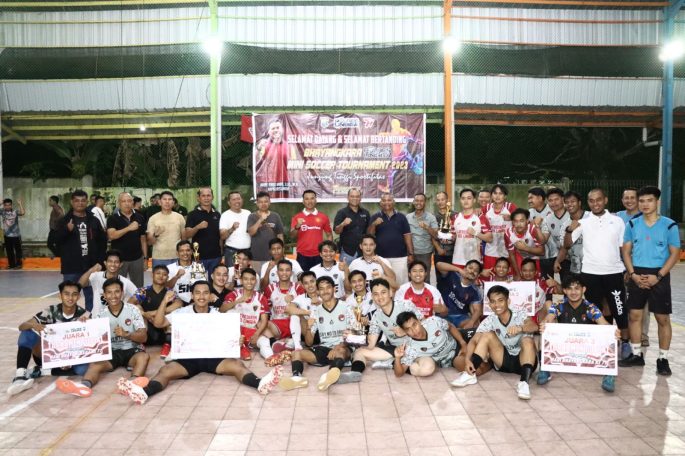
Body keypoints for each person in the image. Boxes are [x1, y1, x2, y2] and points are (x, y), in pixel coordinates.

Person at [118, 281, 283, 404]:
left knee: (237, 366)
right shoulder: (182, 312)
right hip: (188, 358)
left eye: (205, 293)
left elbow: (230, 338)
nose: (201, 296)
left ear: (210, 296)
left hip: (213, 357)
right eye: (197, 293)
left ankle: (259, 383)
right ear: (192, 296)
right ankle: (144, 393)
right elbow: (159, 323)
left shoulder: (218, 315)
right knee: (165, 371)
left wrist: (237, 340)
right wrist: (164, 302)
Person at [620, 186, 681, 376]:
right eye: (642, 201)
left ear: (657, 202)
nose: (645, 204)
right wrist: (632, 274)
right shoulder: (632, 225)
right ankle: (636, 354)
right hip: (637, 273)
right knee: (634, 315)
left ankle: (663, 359)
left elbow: (675, 253)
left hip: (659, 274)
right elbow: (626, 251)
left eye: (649, 200)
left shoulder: (669, 225)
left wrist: (659, 276)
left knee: (662, 318)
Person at [56, 278, 150, 398]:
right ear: (104, 295)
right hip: (111, 352)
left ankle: (131, 385)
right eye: (109, 292)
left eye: (117, 291)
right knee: (95, 364)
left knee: (144, 357)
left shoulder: (133, 310)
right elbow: (92, 339)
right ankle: (83, 386)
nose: (113, 296)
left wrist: (127, 334)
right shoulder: (100, 315)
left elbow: (144, 337)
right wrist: (85, 326)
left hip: (132, 350)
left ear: (122, 293)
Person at [569, 188, 630, 358]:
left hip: (614, 272)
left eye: (598, 200)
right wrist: (569, 229)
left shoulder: (617, 221)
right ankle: (598, 343)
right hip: (590, 273)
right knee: (593, 310)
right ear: (588, 203)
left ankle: (625, 343)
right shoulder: (583, 222)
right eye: (591, 200)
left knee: (619, 309)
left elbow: (623, 248)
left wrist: (628, 269)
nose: (595, 203)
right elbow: (567, 244)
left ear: (605, 200)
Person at [451, 285, 538, 400]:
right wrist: (467, 360)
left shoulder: (519, 314)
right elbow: (473, 340)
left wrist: (520, 328)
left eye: (500, 300)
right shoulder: (490, 320)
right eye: (493, 301)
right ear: (489, 304)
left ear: (508, 301)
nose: (496, 305)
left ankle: (524, 383)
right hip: (503, 361)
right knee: (487, 335)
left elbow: (534, 326)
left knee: (527, 340)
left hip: (524, 361)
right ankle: (470, 375)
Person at [7, 281, 89, 396]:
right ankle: (20, 376)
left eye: (74, 294)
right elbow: (22, 326)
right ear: (60, 295)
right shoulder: (50, 311)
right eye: (66, 294)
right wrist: (34, 325)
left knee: (83, 369)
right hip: (47, 356)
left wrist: (88, 325)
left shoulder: (85, 315)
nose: (70, 298)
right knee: (28, 333)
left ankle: (41, 371)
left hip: (70, 357)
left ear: (79, 296)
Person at [538, 275, 618, 392]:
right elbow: (549, 317)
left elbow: (604, 323)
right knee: (546, 329)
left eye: (577, 288)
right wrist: (544, 323)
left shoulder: (590, 307)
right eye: (570, 289)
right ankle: (545, 369)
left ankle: (609, 374)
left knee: (609, 333)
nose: (573, 292)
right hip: (565, 347)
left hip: (586, 348)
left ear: (583, 289)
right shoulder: (559, 305)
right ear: (564, 290)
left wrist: (614, 332)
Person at [279, 276, 359, 391]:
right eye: (321, 289)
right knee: (296, 353)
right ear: (318, 292)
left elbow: (355, 333)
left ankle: (329, 376)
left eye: (328, 288)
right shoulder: (316, 311)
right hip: (324, 348)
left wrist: (339, 346)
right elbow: (309, 342)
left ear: (334, 289)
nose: (325, 291)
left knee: (341, 352)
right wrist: (308, 327)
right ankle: (297, 378)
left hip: (343, 346)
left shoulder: (346, 307)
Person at [351, 278, 424, 371]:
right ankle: (355, 374)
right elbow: (371, 344)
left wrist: (405, 331)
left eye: (383, 292)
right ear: (372, 297)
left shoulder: (405, 305)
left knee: (423, 368)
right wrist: (354, 336)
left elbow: (425, 323)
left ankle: (394, 363)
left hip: (416, 347)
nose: (380, 297)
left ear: (390, 293)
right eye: (376, 294)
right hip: (396, 349)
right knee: (359, 352)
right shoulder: (376, 316)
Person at [55, 190, 106, 312]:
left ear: (87, 202)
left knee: (93, 298)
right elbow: (54, 240)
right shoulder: (64, 221)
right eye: (77, 201)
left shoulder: (93, 220)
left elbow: (102, 242)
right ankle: (69, 319)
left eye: (83, 200)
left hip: (91, 267)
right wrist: (66, 230)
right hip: (71, 268)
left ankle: (92, 319)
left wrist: (100, 262)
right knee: (69, 298)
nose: (80, 203)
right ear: (72, 202)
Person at [615, 187, 649, 347]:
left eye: (632, 198)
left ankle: (642, 336)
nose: (629, 201)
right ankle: (625, 336)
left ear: (638, 200)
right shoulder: (617, 217)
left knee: (641, 305)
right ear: (622, 200)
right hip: (619, 267)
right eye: (626, 198)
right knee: (620, 304)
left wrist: (632, 270)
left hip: (640, 266)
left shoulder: (646, 217)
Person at [392, 311, 470, 378]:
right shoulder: (411, 347)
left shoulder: (434, 321)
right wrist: (397, 358)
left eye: (414, 325)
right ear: (405, 331)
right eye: (408, 329)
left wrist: (463, 343)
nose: (414, 331)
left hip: (458, 341)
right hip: (453, 359)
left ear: (419, 321)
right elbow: (399, 374)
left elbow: (450, 326)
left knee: (476, 337)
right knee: (471, 368)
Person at [221, 268, 271, 361]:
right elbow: (222, 310)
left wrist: (257, 334)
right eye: (246, 279)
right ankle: (242, 348)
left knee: (265, 341)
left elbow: (264, 320)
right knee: (229, 313)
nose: (249, 282)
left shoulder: (261, 298)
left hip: (250, 331)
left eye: (252, 279)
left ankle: (271, 359)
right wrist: (237, 301)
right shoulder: (234, 294)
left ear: (255, 281)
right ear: (241, 280)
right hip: (235, 332)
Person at [128, 265, 183, 351]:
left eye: (164, 274)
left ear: (167, 277)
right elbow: (129, 303)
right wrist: (144, 314)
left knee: (174, 312)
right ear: (152, 275)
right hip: (147, 324)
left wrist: (155, 313)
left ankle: (168, 344)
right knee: (137, 307)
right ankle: (140, 343)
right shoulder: (143, 290)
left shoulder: (169, 292)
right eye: (158, 273)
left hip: (163, 324)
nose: (161, 276)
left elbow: (179, 304)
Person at [368, 192, 414, 284]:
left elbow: (407, 236)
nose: (386, 202)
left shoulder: (401, 217)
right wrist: (374, 224)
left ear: (393, 202)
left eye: (389, 200)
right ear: (380, 203)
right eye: (384, 200)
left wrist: (411, 253)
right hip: (381, 257)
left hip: (400, 257)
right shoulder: (375, 217)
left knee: (400, 283)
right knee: (382, 284)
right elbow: (369, 235)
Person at [263, 260, 305, 357]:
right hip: (276, 324)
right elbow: (266, 310)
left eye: (287, 270)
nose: (284, 273)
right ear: (277, 272)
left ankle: (290, 341)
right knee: (260, 323)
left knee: (297, 319)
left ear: (291, 272)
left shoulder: (298, 288)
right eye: (281, 270)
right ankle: (276, 342)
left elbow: (303, 310)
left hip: (294, 323)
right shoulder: (270, 288)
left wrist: (291, 302)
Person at [79, 249, 138, 316]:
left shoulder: (125, 281)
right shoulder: (96, 276)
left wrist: (128, 305)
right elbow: (81, 284)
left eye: (116, 262)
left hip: (117, 317)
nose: (113, 264)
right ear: (105, 263)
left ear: (121, 264)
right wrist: (91, 270)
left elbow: (140, 293)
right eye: (110, 261)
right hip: (97, 317)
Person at [107, 192, 148, 288]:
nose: (127, 203)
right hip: (119, 260)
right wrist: (129, 228)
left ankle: (137, 299)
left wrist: (145, 258)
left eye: (129, 201)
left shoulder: (139, 217)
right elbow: (112, 235)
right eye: (123, 201)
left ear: (133, 202)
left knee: (138, 287)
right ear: (119, 203)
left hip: (137, 258)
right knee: (117, 286)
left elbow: (143, 239)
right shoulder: (113, 218)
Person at [290, 190, 333, 271]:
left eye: (312, 198)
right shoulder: (297, 217)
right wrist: (297, 226)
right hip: (302, 255)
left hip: (318, 255)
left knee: (319, 278)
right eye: (307, 199)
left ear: (316, 200)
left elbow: (329, 235)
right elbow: (292, 236)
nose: (309, 201)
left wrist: (328, 251)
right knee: (303, 278)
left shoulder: (323, 217)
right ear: (303, 201)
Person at [450, 188, 492, 268]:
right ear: (460, 200)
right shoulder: (455, 217)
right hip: (457, 260)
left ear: (474, 200)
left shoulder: (480, 217)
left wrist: (475, 233)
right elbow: (453, 237)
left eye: (469, 198)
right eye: (463, 198)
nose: (466, 201)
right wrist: (447, 238)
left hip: (474, 261)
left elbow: (490, 238)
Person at [255, 118, 296, 199]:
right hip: (267, 185)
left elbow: (295, 168)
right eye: (273, 128)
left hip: (285, 185)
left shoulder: (290, 146)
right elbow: (256, 162)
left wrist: (295, 183)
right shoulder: (264, 145)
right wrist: (258, 148)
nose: (276, 130)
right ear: (269, 132)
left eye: (277, 128)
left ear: (282, 130)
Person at [184, 187, 222, 275]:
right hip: (198, 257)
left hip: (215, 257)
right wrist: (197, 227)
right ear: (198, 198)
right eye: (203, 196)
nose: (206, 198)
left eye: (208, 195)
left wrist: (222, 253)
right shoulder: (192, 214)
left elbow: (220, 236)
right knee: (199, 281)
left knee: (214, 282)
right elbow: (187, 235)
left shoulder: (217, 214)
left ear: (212, 197)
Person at [435, 260, 483, 328]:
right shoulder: (453, 275)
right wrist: (458, 269)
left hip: (460, 317)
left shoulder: (476, 290)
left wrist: (471, 322)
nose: (472, 271)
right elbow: (438, 264)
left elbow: (477, 310)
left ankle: (459, 331)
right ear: (464, 268)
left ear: (478, 275)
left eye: (476, 270)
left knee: (475, 325)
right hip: (443, 312)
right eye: (470, 268)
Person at [247, 191, 285, 274]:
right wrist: (260, 219)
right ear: (257, 203)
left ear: (269, 202)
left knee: (272, 279)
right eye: (260, 202)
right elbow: (251, 232)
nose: (263, 204)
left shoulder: (275, 216)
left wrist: (282, 252)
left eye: (266, 201)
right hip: (256, 257)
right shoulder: (252, 216)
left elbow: (280, 235)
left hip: (273, 257)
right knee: (257, 280)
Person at [482, 184, 516, 274]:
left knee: (507, 277)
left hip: (507, 251)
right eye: (495, 193)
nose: (497, 196)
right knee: (490, 276)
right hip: (490, 251)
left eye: (500, 193)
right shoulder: (487, 208)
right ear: (491, 195)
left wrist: (512, 218)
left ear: (505, 196)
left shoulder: (510, 207)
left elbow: (521, 219)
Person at [146, 191, 186, 268]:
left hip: (177, 256)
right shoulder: (153, 218)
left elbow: (184, 238)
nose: (167, 202)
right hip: (159, 257)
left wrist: (183, 254)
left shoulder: (179, 217)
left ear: (173, 202)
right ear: (160, 202)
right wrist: (156, 235)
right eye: (164, 199)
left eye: (170, 199)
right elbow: (150, 242)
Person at [557, 191, 589, 282]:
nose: (569, 204)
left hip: (592, 266)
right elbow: (565, 247)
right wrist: (557, 261)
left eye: (573, 201)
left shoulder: (591, 217)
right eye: (567, 202)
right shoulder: (565, 224)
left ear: (579, 202)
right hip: (575, 267)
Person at [406, 193, 439, 282]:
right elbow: (405, 235)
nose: (419, 203)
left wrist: (427, 227)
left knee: (424, 278)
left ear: (425, 202)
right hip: (411, 253)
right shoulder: (408, 217)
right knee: (411, 278)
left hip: (425, 253)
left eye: (421, 201)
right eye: (417, 200)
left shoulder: (431, 217)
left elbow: (436, 236)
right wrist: (409, 253)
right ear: (413, 202)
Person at [334, 188, 370, 265]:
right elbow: (337, 231)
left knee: (362, 272)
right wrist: (343, 224)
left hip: (363, 251)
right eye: (352, 196)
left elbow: (368, 232)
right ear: (348, 198)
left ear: (360, 198)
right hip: (347, 252)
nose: (355, 198)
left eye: (357, 196)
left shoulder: (365, 213)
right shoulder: (341, 212)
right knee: (346, 272)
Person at [505, 208, 544, 279]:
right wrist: (517, 274)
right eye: (516, 221)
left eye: (521, 221)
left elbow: (542, 252)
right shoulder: (508, 233)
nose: (519, 224)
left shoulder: (532, 229)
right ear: (512, 222)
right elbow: (512, 254)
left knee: (535, 279)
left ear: (527, 221)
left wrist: (525, 248)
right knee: (519, 279)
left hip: (535, 257)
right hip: (520, 257)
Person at [287, 271, 320, 351]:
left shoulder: (324, 294)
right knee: (295, 315)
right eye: (306, 283)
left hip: (322, 331)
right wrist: (308, 312)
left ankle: (294, 342)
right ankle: (297, 346)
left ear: (316, 281)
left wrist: (320, 303)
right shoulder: (300, 298)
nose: (310, 285)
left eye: (312, 281)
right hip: (307, 331)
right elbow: (289, 309)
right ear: (302, 285)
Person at [539, 188, 569, 279]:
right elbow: (543, 240)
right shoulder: (547, 219)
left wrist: (558, 260)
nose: (554, 203)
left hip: (576, 258)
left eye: (556, 199)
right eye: (550, 200)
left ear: (563, 199)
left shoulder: (571, 215)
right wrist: (536, 227)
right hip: (562, 257)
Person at [219, 191, 251, 268]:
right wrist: (232, 228)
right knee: (232, 273)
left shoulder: (248, 213)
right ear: (229, 203)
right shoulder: (225, 215)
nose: (237, 201)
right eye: (234, 199)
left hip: (247, 251)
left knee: (246, 274)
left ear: (242, 200)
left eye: (238, 199)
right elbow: (222, 236)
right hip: (232, 252)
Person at [432, 191, 457, 290]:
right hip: (439, 252)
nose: (440, 202)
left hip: (454, 253)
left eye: (442, 199)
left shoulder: (455, 215)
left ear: (447, 200)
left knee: (453, 278)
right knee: (440, 279)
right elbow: (432, 235)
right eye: (438, 200)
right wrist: (438, 249)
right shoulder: (433, 216)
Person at [166, 240, 201, 305]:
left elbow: (204, 286)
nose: (185, 253)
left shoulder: (199, 267)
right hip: (176, 301)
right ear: (177, 253)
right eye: (181, 251)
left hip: (195, 301)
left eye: (188, 250)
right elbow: (166, 286)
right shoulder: (169, 268)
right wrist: (176, 276)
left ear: (191, 252)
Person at [2, 198, 25, 269]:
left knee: (18, 250)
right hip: (7, 235)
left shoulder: (15, 211)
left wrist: (20, 204)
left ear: (11, 205)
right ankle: (11, 265)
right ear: (4, 206)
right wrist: (1, 203)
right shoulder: (2, 211)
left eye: (9, 205)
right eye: (6, 205)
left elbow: (22, 213)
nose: (7, 206)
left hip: (16, 235)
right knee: (9, 251)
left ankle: (19, 264)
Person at [47, 195, 64, 259]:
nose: (49, 202)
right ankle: (59, 256)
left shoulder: (56, 207)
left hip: (55, 230)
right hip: (57, 230)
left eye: (50, 200)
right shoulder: (56, 207)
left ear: (54, 201)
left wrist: (55, 221)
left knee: (49, 244)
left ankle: (58, 255)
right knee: (57, 245)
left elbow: (62, 215)